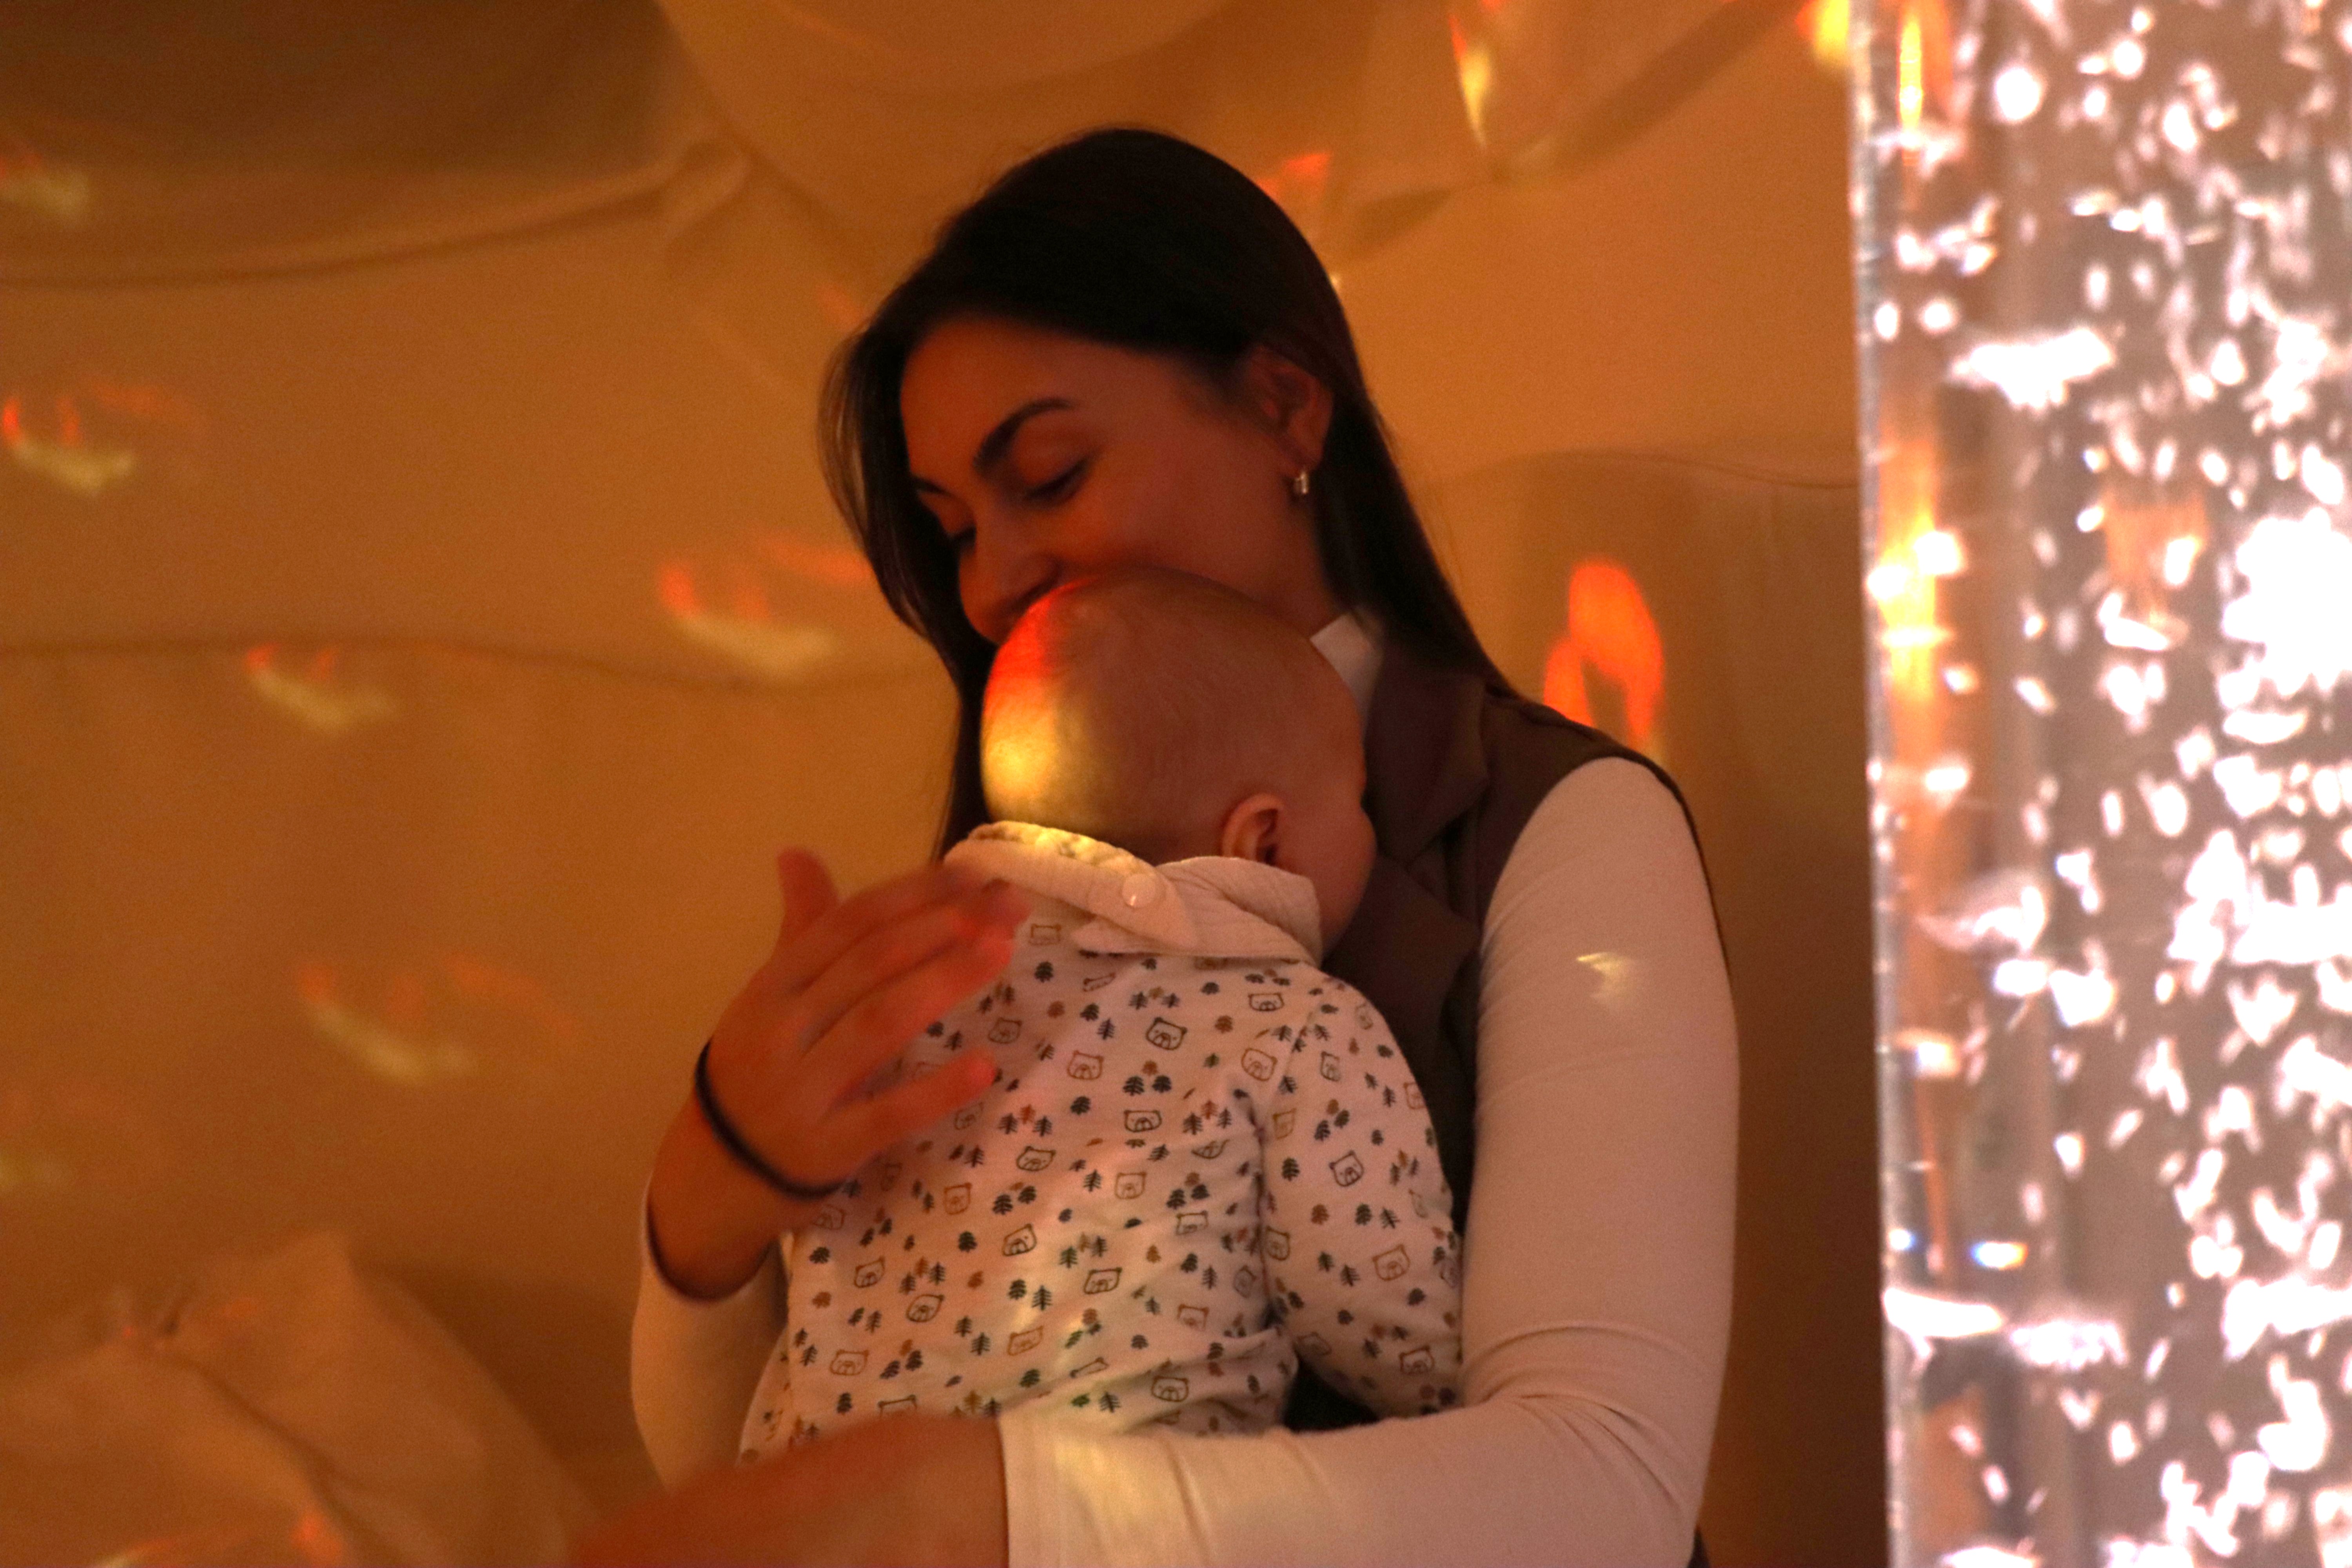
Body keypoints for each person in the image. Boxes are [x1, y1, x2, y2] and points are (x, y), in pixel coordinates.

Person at [588, 125, 1735, 1568]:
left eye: (1051, 476)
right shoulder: (1018, 892)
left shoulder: (1560, 830)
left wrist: (997, 1506)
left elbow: (1603, 1488)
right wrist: (709, 1209)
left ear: (1285, 407)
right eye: (953, 530)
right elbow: (769, 1480)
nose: (996, 583)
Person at [728, 566, 1460, 1459]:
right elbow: (1391, 1329)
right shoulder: (1298, 1020)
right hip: (1111, 1516)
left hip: (819, 1511)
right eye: (1357, 800)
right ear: (1261, 839)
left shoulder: (897, 994)